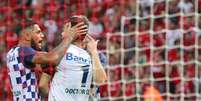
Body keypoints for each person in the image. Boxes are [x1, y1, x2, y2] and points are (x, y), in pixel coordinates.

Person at [6, 18, 87, 101]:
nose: (42, 35)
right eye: (38, 32)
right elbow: (53, 58)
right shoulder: (23, 51)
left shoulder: (11, 53)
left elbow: (44, 68)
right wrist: (69, 38)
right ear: (27, 36)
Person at [39, 15, 107, 101]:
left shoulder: (58, 54)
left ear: (72, 29)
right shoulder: (92, 56)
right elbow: (101, 80)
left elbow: (42, 85)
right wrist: (94, 51)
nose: (61, 33)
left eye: (64, 29)